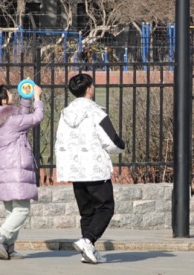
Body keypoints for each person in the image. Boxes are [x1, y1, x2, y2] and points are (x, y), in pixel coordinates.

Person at [55, 73, 124, 264]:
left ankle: (88, 251)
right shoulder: (96, 112)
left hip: (75, 170)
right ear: (89, 89)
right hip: (94, 167)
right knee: (106, 207)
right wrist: (121, 146)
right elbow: (111, 140)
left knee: (87, 212)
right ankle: (88, 240)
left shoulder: (65, 114)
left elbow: (60, 140)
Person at [0, 83, 44, 260]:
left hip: (4, 167)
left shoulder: (0, 117)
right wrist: (37, 98)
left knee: (12, 210)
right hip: (15, 167)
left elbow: (21, 118)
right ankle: (0, 237)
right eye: (9, 93)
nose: (12, 93)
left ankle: (8, 248)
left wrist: (26, 96)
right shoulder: (11, 120)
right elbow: (36, 117)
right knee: (22, 210)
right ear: (4, 100)